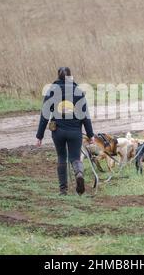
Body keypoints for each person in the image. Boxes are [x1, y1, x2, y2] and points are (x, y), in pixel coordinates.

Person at [36, 67, 94, 195]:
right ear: (70, 77)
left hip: (58, 132)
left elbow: (45, 114)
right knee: (75, 157)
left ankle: (63, 190)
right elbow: (85, 115)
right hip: (75, 131)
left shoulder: (52, 90)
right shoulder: (78, 91)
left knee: (62, 157)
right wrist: (90, 135)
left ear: (58, 76)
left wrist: (39, 135)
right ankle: (79, 173)